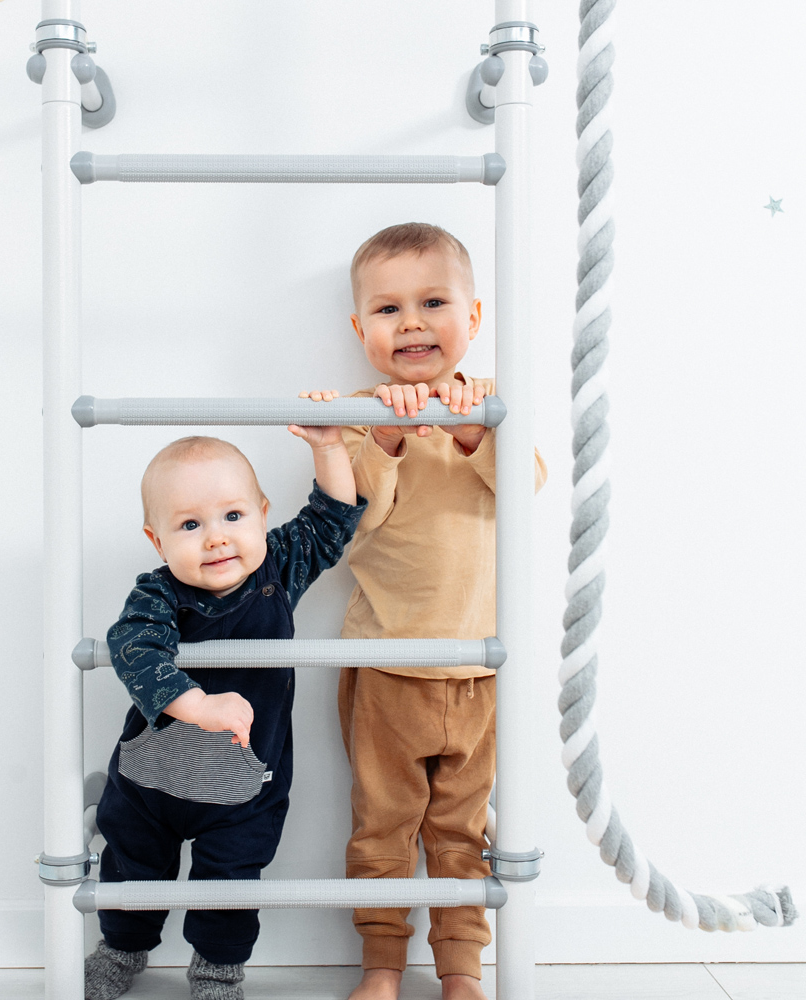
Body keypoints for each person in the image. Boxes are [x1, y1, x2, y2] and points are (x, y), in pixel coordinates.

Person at [303, 222, 547, 1000]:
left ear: (472, 317)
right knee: (382, 827)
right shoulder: (358, 415)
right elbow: (350, 527)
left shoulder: (493, 405)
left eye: (433, 303)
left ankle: (461, 970)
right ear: (361, 329)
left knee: (461, 834)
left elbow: (527, 489)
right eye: (388, 309)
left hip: (479, 668)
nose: (410, 322)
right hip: (387, 669)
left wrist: (470, 429)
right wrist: (387, 442)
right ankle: (381, 965)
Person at [85, 430, 366, 1000]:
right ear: (157, 540)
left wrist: (328, 449)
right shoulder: (158, 593)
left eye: (233, 516)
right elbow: (134, 648)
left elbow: (331, 520)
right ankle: (121, 948)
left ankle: (217, 970)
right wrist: (197, 705)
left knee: (232, 879)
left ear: (262, 515)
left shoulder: (277, 569)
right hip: (153, 781)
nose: (216, 538)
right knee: (132, 864)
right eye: (190, 525)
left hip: (244, 786)